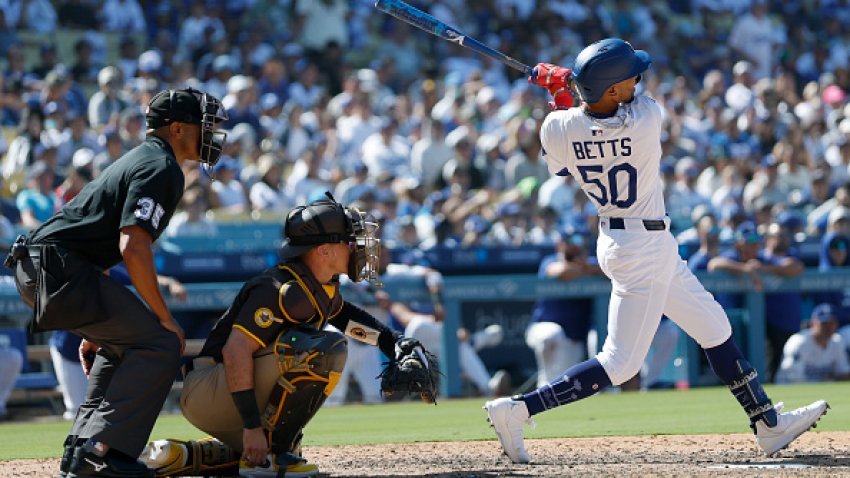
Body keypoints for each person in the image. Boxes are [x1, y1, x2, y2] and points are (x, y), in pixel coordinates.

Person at [484, 38, 828, 464]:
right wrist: (565, 84)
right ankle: (517, 410)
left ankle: (767, 423)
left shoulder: (555, 129)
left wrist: (559, 89)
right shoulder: (646, 117)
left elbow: (565, 143)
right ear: (610, 90)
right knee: (621, 363)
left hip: (628, 241)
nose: (637, 81)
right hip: (642, 246)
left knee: (714, 325)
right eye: (629, 78)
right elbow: (596, 116)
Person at [7, 87, 228, 478]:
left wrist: (102, 324)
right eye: (202, 125)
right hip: (60, 269)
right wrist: (165, 318)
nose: (209, 133)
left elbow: (100, 243)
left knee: (125, 343)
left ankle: (82, 451)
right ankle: (102, 452)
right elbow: (133, 245)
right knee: (161, 342)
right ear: (177, 129)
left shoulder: (143, 159)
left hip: (48, 267)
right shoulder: (162, 167)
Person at [143, 194, 436, 477]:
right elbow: (235, 351)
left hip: (229, 389)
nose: (358, 246)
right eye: (349, 241)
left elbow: (346, 318)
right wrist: (251, 426)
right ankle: (272, 454)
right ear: (323, 250)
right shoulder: (279, 288)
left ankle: (191, 456)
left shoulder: (321, 283)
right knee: (324, 349)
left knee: (285, 439)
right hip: (209, 388)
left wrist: (393, 342)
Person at [525, 230, 600, 388]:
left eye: (578, 243)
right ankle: (543, 385)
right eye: (569, 243)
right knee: (551, 334)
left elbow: (608, 271)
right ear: (560, 245)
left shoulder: (592, 262)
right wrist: (585, 269)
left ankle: (545, 388)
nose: (574, 247)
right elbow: (561, 271)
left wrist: (588, 267)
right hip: (542, 327)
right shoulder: (550, 260)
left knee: (565, 384)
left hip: (574, 338)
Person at [775, 304, 850, 384]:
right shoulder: (799, 342)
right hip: (789, 389)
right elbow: (793, 377)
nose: (828, 328)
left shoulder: (837, 341)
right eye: (824, 324)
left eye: (831, 323)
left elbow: (844, 374)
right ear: (813, 324)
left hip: (822, 391)